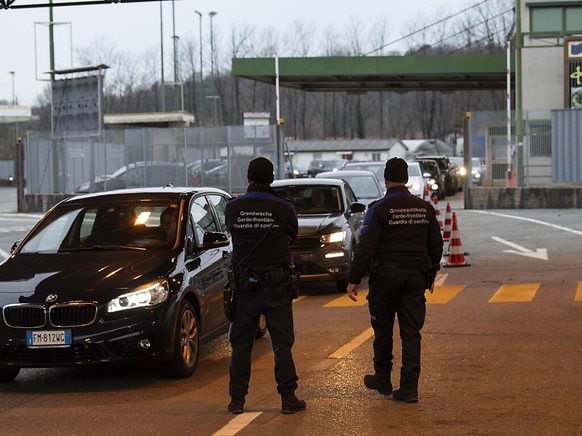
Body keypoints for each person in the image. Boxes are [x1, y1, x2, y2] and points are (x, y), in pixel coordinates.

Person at [347, 157, 443, 403]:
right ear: (407, 179)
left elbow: (365, 247)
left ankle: (383, 378)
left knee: (383, 330)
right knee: (411, 334)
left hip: (385, 279)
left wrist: (354, 279)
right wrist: (430, 275)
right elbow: (436, 246)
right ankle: (409, 389)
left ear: (386, 179)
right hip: (415, 279)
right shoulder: (424, 208)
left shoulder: (378, 209)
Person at [224, 157, 306, 415]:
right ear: (271, 178)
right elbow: (293, 234)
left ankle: (237, 401)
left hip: (245, 289)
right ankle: (288, 398)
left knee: (241, 345)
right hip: (277, 287)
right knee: (282, 344)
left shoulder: (233, 207)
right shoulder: (284, 208)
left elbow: (231, 231)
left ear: (248, 178)